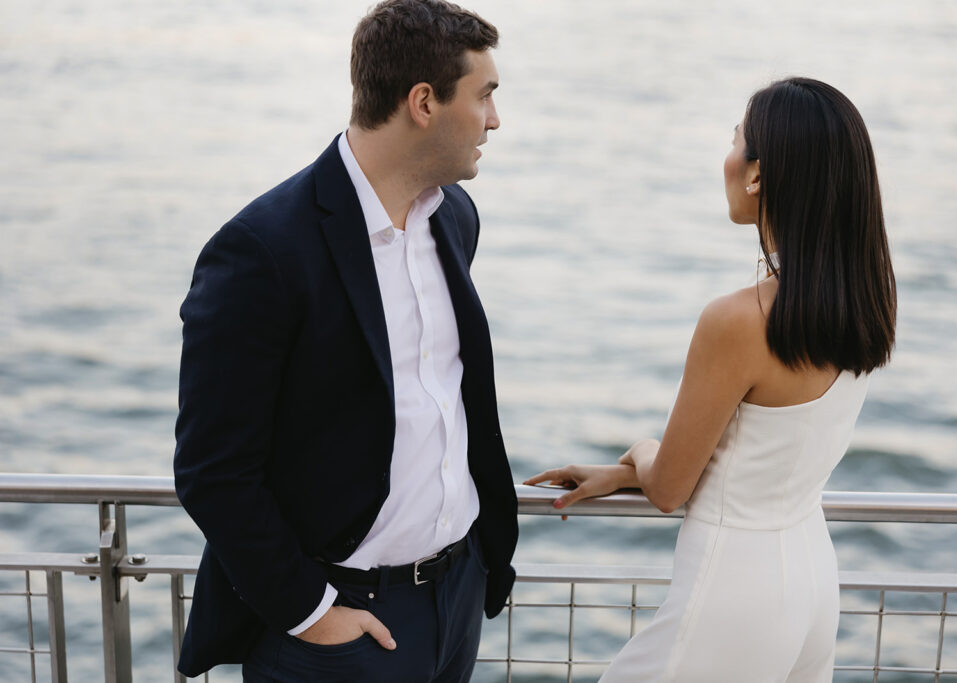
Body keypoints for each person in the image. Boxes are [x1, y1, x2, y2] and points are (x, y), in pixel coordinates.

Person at [172, 1, 518, 680]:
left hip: (457, 599)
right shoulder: (261, 250)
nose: (495, 119)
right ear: (423, 101)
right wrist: (314, 613)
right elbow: (213, 470)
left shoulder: (455, 218)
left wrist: (474, 570)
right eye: (485, 96)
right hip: (339, 624)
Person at [526, 77, 897, 681]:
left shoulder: (738, 320)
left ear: (758, 174)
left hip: (735, 594)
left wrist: (641, 453)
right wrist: (626, 476)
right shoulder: (864, 301)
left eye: (735, 141)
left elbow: (670, 486)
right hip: (810, 584)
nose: (726, 157)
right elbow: (759, 460)